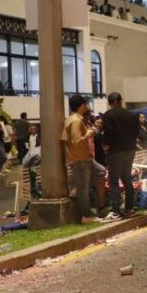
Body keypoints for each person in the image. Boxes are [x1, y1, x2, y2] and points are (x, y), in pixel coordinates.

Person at [102, 92, 140, 219]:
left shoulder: (108, 115)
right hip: (130, 150)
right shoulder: (131, 115)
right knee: (126, 178)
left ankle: (116, 210)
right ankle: (129, 208)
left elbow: (109, 133)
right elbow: (136, 132)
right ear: (120, 101)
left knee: (113, 180)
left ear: (109, 102)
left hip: (115, 151)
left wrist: (106, 145)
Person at [61, 95, 99, 223]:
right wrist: (89, 134)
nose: (88, 106)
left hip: (79, 158)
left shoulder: (71, 119)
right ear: (82, 106)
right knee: (83, 189)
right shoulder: (76, 121)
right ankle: (86, 215)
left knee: (99, 173)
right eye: (86, 104)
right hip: (80, 159)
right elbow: (77, 140)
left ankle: (88, 209)